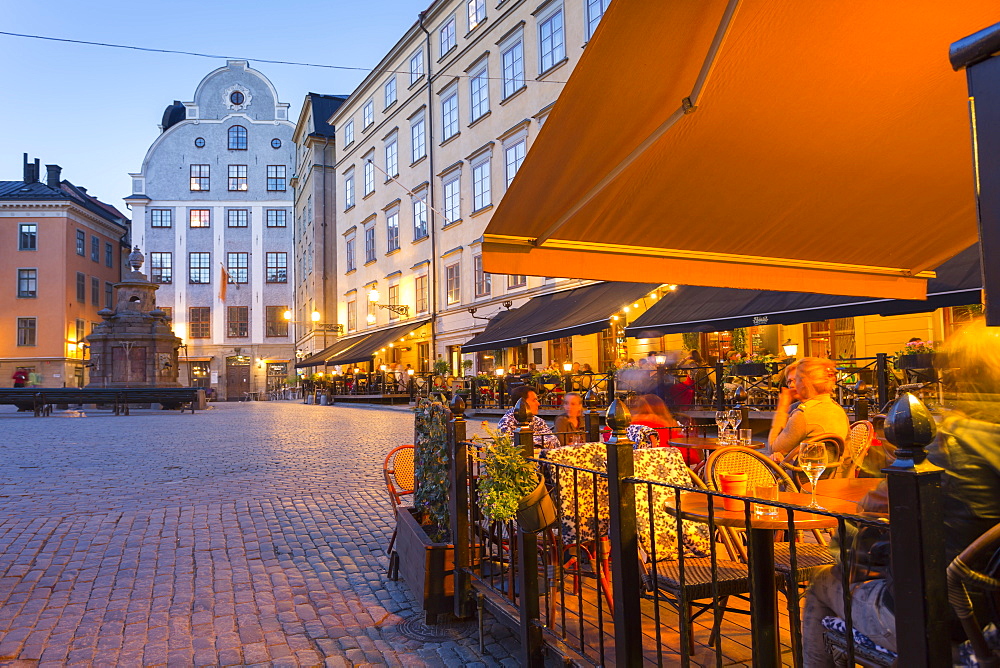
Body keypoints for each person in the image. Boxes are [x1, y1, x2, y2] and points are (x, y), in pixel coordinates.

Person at [801, 319, 1000, 666]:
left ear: (961, 378)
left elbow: (867, 514)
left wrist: (846, 547)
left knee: (822, 581)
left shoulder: (952, 442)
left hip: (947, 617)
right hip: (993, 612)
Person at [768, 357, 849, 463]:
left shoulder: (804, 414)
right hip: (835, 474)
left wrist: (782, 408)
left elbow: (773, 448)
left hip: (805, 476)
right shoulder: (837, 409)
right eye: (789, 381)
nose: (792, 385)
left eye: (796, 380)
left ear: (804, 382)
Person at [497, 385, 560, 450]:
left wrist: (534, 444)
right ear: (522, 402)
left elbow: (553, 440)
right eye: (534, 400)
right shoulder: (506, 423)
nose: (538, 403)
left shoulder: (538, 421)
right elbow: (512, 448)